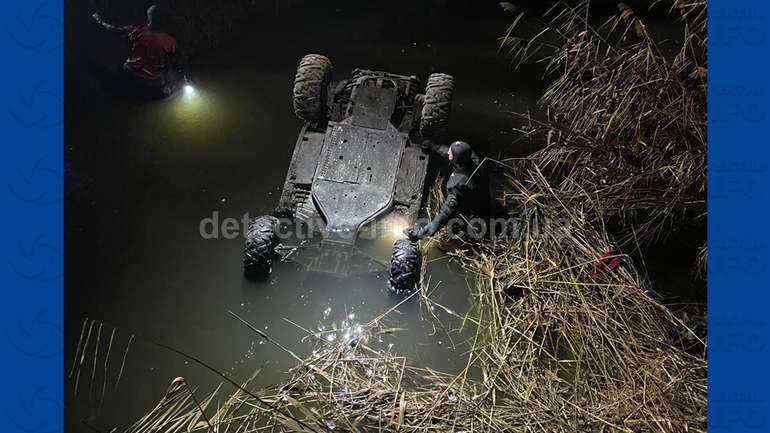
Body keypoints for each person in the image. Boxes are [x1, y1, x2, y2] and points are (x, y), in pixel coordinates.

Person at [92, 5, 183, 98]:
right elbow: (177, 64)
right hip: (152, 86)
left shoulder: (137, 31)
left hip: (129, 77)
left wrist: (100, 21)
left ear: (149, 19)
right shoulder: (169, 41)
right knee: (172, 90)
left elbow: (115, 30)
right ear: (165, 22)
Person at [405, 140, 486, 241]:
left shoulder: (458, 185)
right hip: (480, 193)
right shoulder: (474, 159)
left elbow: (444, 214)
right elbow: (448, 152)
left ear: (456, 160)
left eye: (450, 153)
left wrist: (420, 234)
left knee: (457, 219)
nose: (448, 152)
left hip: (469, 207)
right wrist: (431, 146)